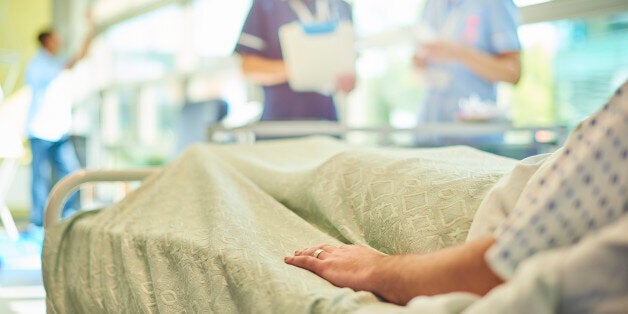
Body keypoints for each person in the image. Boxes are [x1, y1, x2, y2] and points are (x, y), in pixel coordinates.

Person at [285, 81, 628, 308]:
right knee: (344, 161)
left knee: (342, 165)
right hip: (486, 170)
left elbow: (498, 266)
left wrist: (376, 268)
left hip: (472, 194)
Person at [24, 23, 95, 233]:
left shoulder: (55, 62)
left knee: (71, 173)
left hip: (59, 131)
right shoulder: (38, 65)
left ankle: (68, 216)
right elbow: (70, 64)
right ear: (46, 41)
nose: (59, 42)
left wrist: (90, 30)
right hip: (40, 131)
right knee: (40, 178)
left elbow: (79, 57)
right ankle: (38, 223)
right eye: (56, 38)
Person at [234, 0, 355, 121]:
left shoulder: (341, 6)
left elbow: (350, 76)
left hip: (326, 120)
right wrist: (300, 69)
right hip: (281, 120)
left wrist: (347, 82)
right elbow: (248, 68)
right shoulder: (266, 4)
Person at [413, 0, 522, 123]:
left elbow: (513, 73)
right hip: (429, 128)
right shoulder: (431, 5)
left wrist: (459, 53)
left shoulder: (494, 3)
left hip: (474, 134)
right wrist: (419, 61)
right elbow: (418, 69)